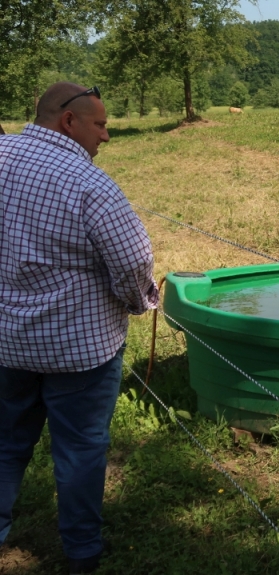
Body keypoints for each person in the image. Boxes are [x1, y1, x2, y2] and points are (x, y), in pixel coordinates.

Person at [0, 83, 158, 574]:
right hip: (79, 352)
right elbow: (133, 264)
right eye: (101, 124)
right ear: (68, 122)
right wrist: (140, 302)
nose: (106, 136)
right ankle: (83, 553)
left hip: (5, 342)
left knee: (5, 443)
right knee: (81, 450)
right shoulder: (92, 185)